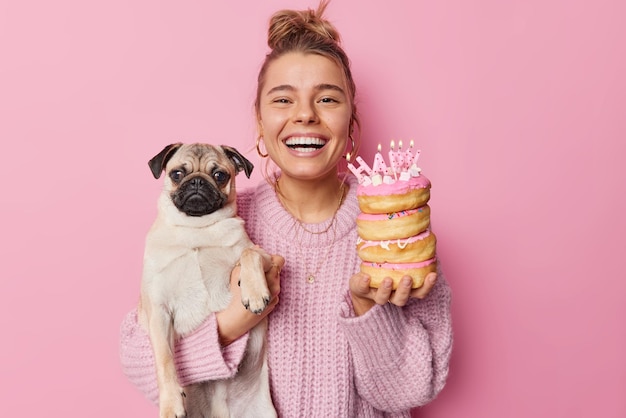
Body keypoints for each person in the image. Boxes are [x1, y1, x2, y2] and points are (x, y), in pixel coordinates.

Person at [119, 1, 453, 416]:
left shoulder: (396, 228)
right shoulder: (219, 223)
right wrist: (228, 327)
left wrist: (370, 311)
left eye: (327, 99)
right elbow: (140, 364)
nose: (305, 115)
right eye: (283, 100)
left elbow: (410, 391)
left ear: (351, 121)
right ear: (259, 121)